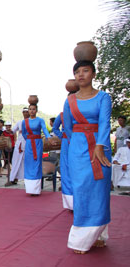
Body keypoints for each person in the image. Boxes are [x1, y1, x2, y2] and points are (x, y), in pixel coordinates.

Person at [63, 60, 112, 254]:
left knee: (99, 190)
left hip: (101, 147)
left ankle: (98, 235)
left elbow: (105, 123)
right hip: (78, 149)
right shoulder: (70, 101)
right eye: (78, 72)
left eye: (86, 71)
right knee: (81, 189)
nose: (81, 74)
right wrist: (77, 143)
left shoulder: (103, 97)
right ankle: (82, 239)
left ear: (93, 74)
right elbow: (67, 127)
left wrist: (100, 146)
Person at [22, 104, 51, 195]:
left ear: (36, 110)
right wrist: (29, 140)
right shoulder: (25, 122)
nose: (31, 111)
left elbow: (45, 130)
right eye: (30, 109)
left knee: (37, 163)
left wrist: (48, 137)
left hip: (38, 143)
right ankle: (29, 189)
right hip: (29, 144)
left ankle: (36, 189)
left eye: (33, 109)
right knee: (28, 163)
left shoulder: (40, 120)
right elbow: (24, 133)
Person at [53, 112, 72, 210]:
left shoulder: (81, 112)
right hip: (66, 143)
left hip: (79, 141)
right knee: (66, 169)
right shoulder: (61, 115)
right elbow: (55, 128)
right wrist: (62, 136)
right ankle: (70, 202)